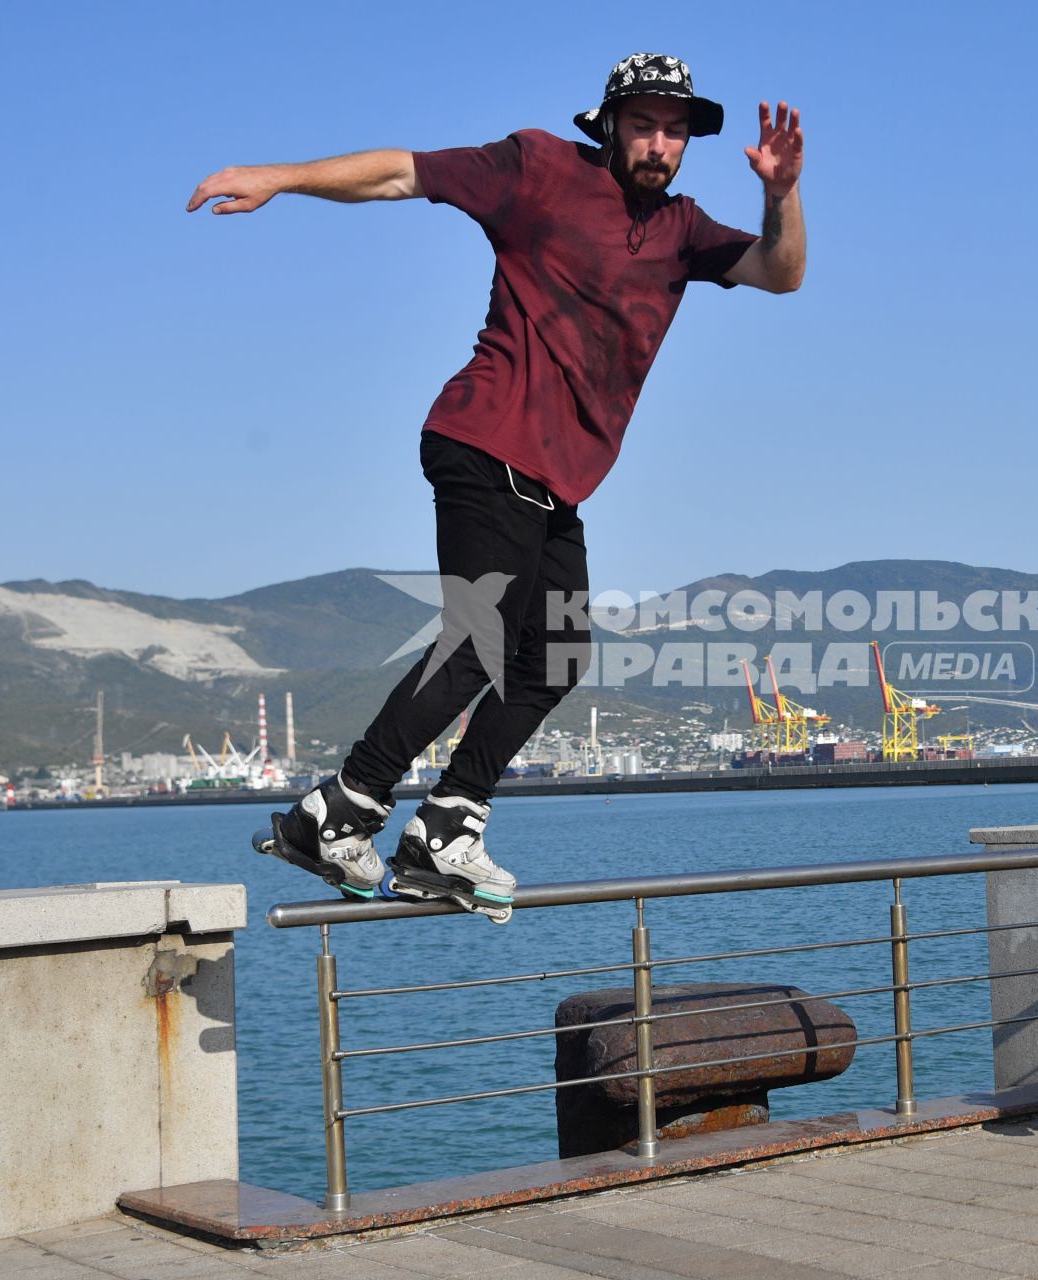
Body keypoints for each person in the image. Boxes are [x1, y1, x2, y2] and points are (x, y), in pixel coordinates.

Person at [187, 53, 805, 921]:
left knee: (553, 655)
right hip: (487, 443)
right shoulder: (539, 168)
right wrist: (280, 179)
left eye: (675, 128)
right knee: (478, 644)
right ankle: (337, 812)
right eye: (643, 123)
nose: (659, 142)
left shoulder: (683, 229)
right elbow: (403, 172)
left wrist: (780, 195)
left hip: (558, 479)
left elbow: (783, 273)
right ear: (610, 122)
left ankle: (445, 828)